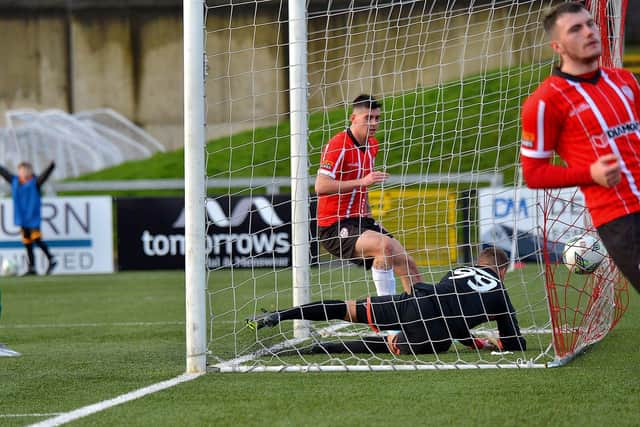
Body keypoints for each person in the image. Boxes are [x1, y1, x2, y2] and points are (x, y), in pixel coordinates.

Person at [519, 2, 640, 293]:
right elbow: (534, 174)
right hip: (621, 220)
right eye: (576, 29)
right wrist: (590, 173)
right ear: (557, 45)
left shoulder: (624, 80)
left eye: (590, 25)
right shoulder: (545, 101)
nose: (589, 32)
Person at [247, 247, 526, 355]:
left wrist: (474, 341)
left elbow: (453, 303)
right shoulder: (500, 292)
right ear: (502, 271)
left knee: (347, 309)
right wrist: (498, 342)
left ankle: (278, 315)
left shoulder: (458, 271)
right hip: (435, 332)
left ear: (479, 264)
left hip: (416, 300)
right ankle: (322, 349)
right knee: (397, 342)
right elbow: (515, 344)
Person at [315, 94, 422, 296]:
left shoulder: (372, 145)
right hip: (334, 226)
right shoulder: (338, 145)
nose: (373, 123)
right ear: (353, 118)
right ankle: (388, 319)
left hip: (360, 221)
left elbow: (362, 189)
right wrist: (363, 181)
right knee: (384, 246)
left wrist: (369, 215)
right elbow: (321, 186)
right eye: (368, 118)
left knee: (408, 263)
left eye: (377, 118)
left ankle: (420, 317)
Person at [0, 161, 57, 275]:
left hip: (32, 217)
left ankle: (51, 259)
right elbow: (4, 173)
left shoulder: (35, 182)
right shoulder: (15, 181)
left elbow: (44, 176)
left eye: (26, 170)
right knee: (27, 242)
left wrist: (51, 166)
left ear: (30, 171)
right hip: (22, 218)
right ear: (19, 172)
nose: (24, 172)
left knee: (36, 239)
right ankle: (32, 267)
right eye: (21, 170)